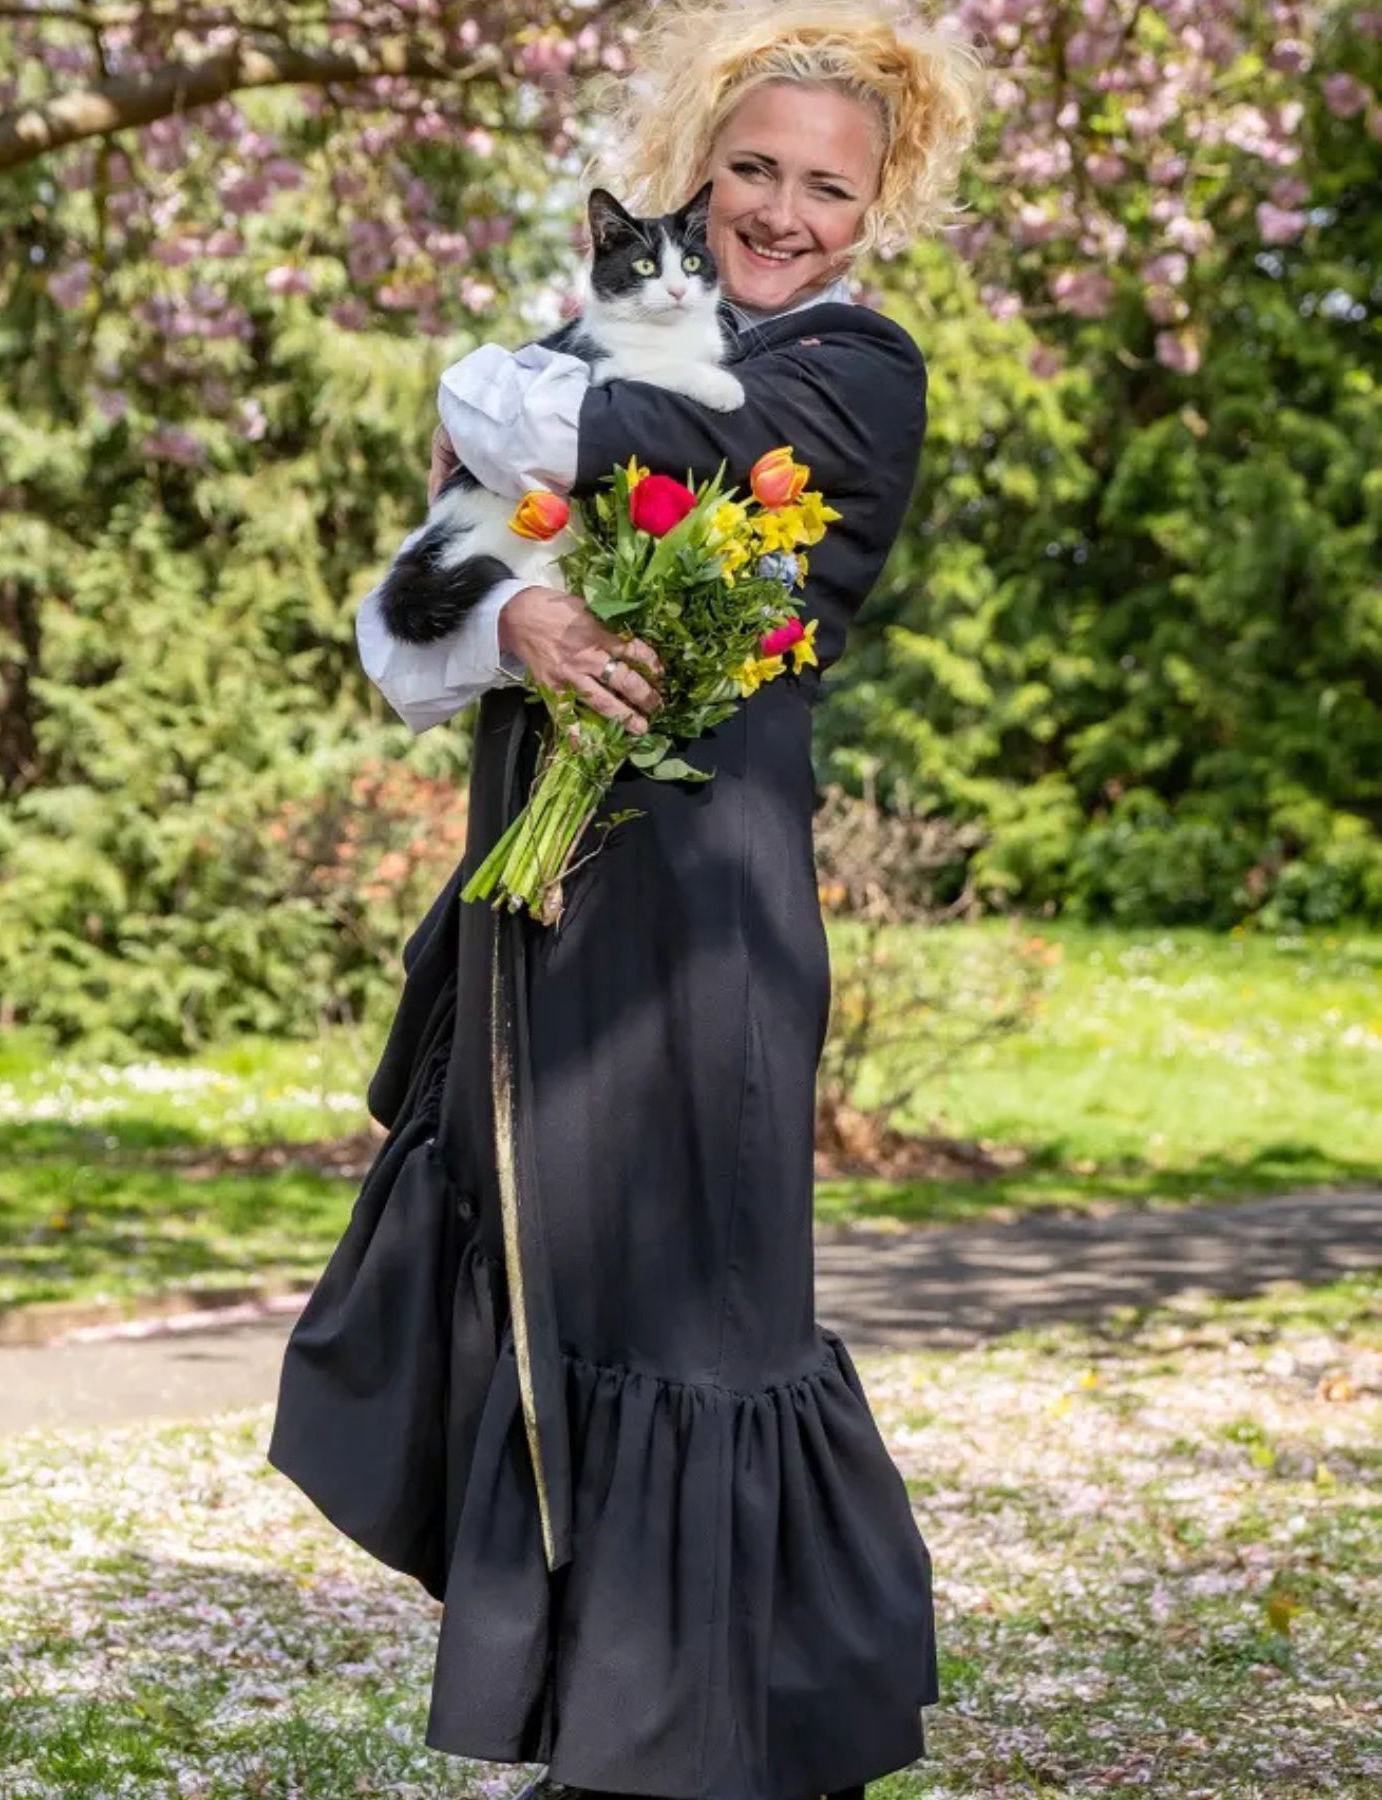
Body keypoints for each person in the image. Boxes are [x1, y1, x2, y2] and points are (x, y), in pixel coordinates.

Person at [267, 4, 986, 1797]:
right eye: (752, 168)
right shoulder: (587, 343)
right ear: (696, 164)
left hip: (709, 929)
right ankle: (600, 1733)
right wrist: (515, 611)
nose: (782, 212)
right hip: (538, 922)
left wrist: (502, 414)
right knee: (554, 1309)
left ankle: (745, 1740)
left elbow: (649, 435)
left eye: (828, 185)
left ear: (877, 204)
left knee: (706, 1319)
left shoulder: (855, 371)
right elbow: (408, 598)